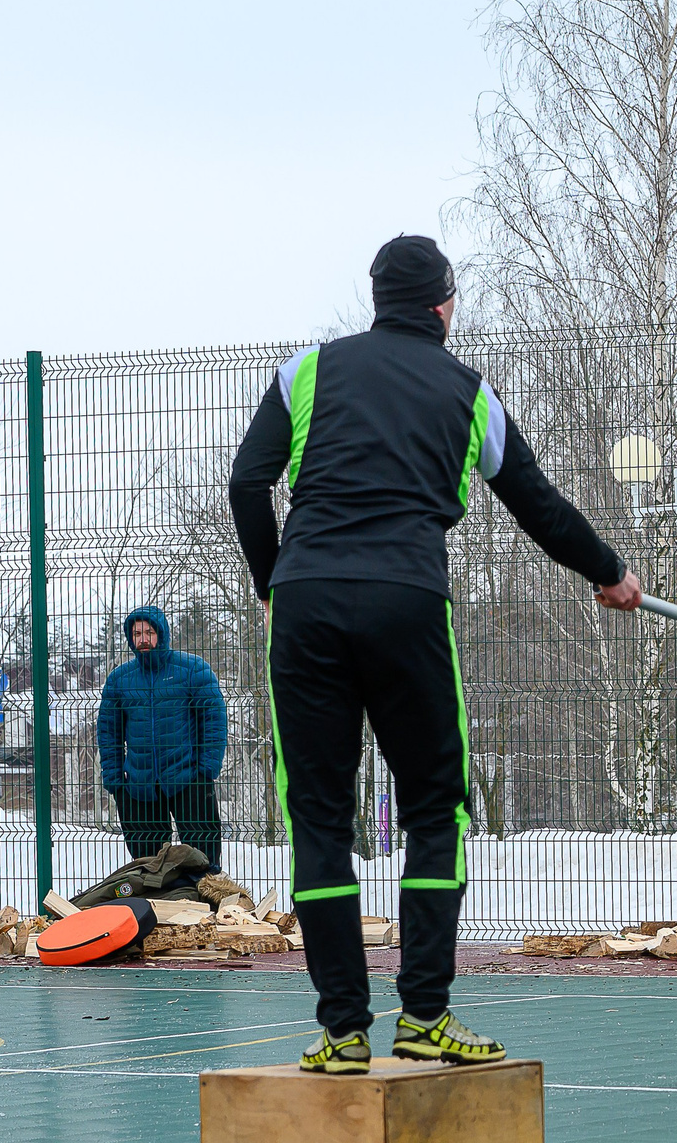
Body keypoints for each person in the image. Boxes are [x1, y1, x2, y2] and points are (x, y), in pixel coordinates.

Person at [228, 235, 642, 1073]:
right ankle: (425, 1015)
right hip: (406, 602)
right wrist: (608, 571)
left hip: (307, 603)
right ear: (444, 307)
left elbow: (247, 482)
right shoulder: (469, 391)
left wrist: (275, 588)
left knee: (317, 815)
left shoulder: (306, 370)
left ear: (378, 299)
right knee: (434, 810)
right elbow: (537, 502)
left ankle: (342, 1030)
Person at [95, 604, 228, 862]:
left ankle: (205, 901)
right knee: (148, 866)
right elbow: (108, 732)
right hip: (139, 785)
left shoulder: (192, 670)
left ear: (162, 633)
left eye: (149, 632)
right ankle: (155, 903)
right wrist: (114, 780)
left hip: (188, 778)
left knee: (203, 859)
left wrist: (206, 770)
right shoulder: (119, 680)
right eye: (137, 634)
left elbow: (214, 720)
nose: (143, 639)